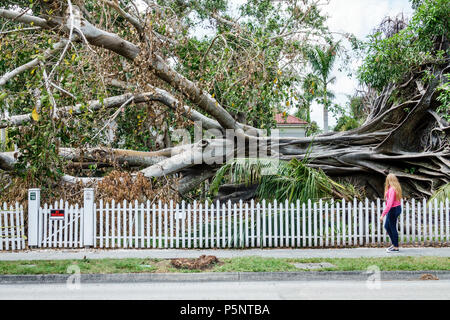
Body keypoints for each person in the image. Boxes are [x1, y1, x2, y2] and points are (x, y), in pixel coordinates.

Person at [380, 173, 402, 252]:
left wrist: (382, 215)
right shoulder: (394, 188)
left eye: (388, 180)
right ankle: (394, 244)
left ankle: (395, 247)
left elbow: (389, 204)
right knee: (387, 226)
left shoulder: (392, 189)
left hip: (393, 209)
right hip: (396, 208)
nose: (387, 181)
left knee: (392, 227)